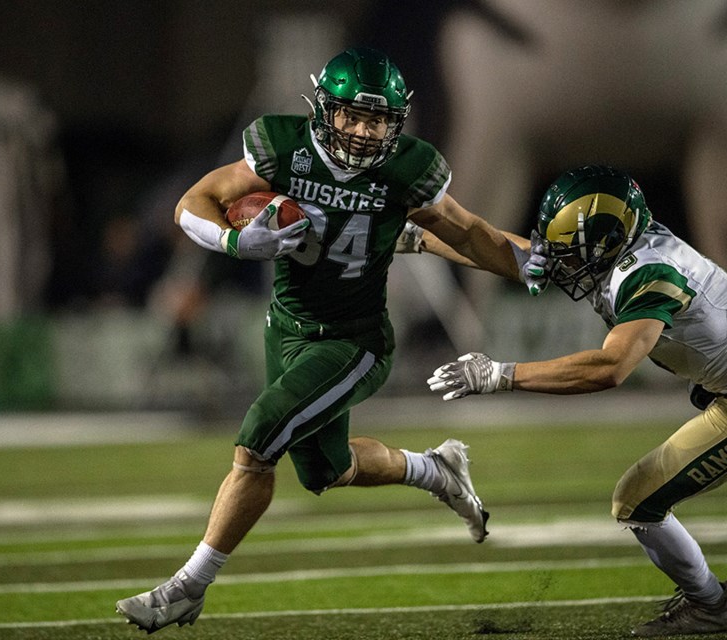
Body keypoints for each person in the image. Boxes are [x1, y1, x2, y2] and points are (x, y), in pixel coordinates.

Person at [115, 46, 529, 634]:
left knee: (259, 437)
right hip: (285, 328)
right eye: (352, 117)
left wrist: (539, 266)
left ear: (396, 123)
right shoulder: (281, 147)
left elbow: (468, 234)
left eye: (378, 120)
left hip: (353, 340)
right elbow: (194, 202)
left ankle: (188, 587)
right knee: (325, 470)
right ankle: (436, 469)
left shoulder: (409, 169)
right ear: (323, 111)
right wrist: (236, 245)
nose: (363, 133)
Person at [424, 165, 727, 637]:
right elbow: (512, 251)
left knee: (636, 499)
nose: (559, 261)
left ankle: (711, 604)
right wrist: (423, 239)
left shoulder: (647, 274)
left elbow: (610, 367)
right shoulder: (626, 244)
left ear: (606, 246)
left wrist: (501, 375)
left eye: (571, 253)